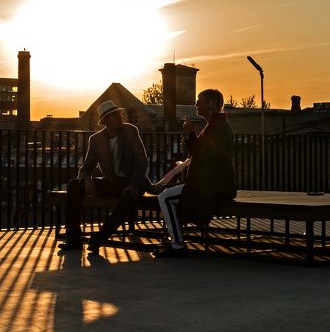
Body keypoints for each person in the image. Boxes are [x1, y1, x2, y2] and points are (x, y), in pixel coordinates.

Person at [59, 100, 151, 255]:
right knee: (74, 184)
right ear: (107, 120)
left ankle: (100, 238)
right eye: (116, 115)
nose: (121, 117)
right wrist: (87, 180)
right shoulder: (95, 139)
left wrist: (133, 184)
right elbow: (86, 167)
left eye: (120, 113)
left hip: (132, 182)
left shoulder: (130, 131)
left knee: (128, 195)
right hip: (112, 183)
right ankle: (73, 239)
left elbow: (142, 162)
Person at [154, 88, 237, 258]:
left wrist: (191, 131)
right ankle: (176, 239)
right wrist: (192, 136)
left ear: (211, 104)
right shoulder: (216, 125)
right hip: (213, 183)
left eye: (200, 101)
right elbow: (200, 151)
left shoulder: (217, 127)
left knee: (165, 197)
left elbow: (200, 153)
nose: (196, 104)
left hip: (211, 185)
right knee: (168, 195)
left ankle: (177, 243)